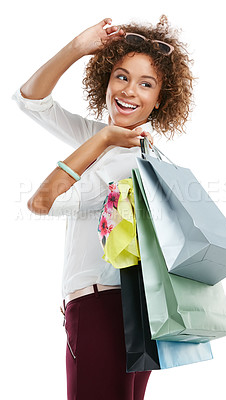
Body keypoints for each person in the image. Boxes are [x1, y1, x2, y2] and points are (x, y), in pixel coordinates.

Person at [11, 14, 194, 400]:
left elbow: (42, 202)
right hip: (141, 310)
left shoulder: (118, 154)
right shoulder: (140, 148)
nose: (129, 91)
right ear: (106, 80)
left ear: (161, 98)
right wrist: (80, 47)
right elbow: (31, 100)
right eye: (121, 76)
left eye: (146, 84)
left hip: (103, 307)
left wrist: (106, 138)